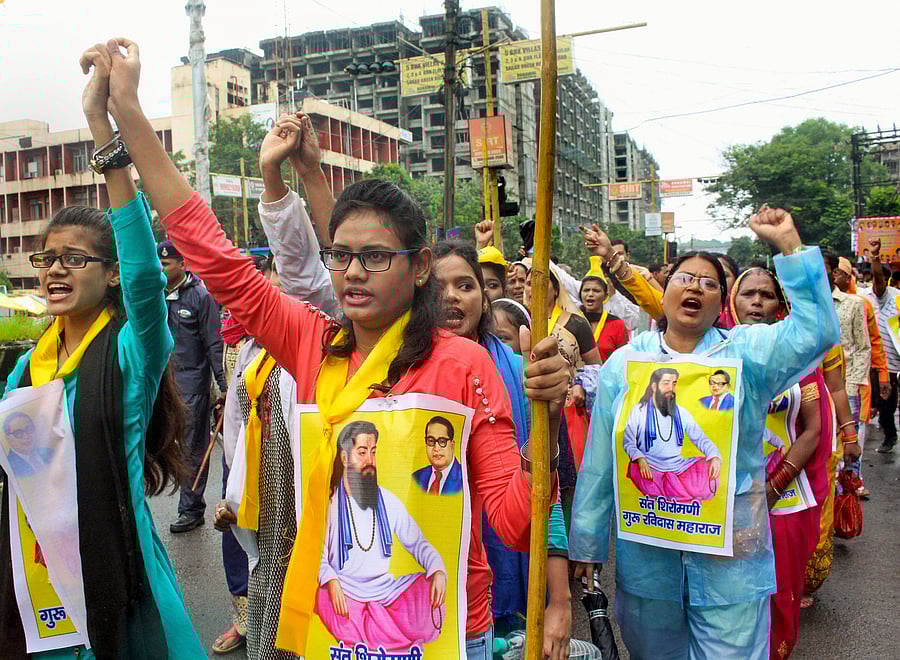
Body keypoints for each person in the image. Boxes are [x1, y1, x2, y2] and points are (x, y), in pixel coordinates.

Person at [108, 38, 569, 659]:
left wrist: (543, 433)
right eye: (342, 256)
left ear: (420, 265)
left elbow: (514, 522)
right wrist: (130, 113)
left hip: (448, 628)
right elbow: (210, 250)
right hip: (328, 624)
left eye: (376, 256)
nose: (353, 272)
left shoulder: (465, 364)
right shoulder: (308, 341)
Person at [0, 42, 204, 657]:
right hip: (38, 580)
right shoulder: (24, 369)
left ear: (112, 274)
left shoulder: (129, 350)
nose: (55, 270)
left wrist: (103, 124)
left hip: (118, 570)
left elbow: (146, 275)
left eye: (74, 259)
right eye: (47, 258)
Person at [571, 207, 840, 659]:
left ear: (722, 304)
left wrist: (790, 245)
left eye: (710, 282)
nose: (695, 286)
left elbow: (816, 332)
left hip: (731, 567)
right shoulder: (625, 367)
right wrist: (587, 543)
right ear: (666, 291)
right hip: (648, 567)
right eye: (684, 277)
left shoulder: (746, 357)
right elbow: (600, 465)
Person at [432, 240, 572, 657]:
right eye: (438, 287)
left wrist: (560, 602)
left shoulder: (520, 373)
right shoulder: (402, 373)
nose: (452, 297)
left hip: (509, 567)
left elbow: (547, 490)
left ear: (484, 298)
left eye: (465, 285)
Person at [728, 266, 830, 657]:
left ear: (779, 304)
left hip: (783, 501)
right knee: (731, 601)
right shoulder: (714, 353)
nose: (756, 301)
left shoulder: (800, 362)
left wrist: (771, 489)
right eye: (747, 293)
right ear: (731, 302)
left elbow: (812, 430)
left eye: (766, 294)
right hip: (726, 501)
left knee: (778, 593)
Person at [317, 421, 448, 651]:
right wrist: (331, 580)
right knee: (321, 596)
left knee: (432, 598)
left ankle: (370, 634)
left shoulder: (387, 500)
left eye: (373, 452)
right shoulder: (329, 504)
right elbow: (317, 556)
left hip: (388, 594)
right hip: (347, 594)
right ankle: (389, 635)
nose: (370, 460)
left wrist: (437, 570)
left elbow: (418, 543)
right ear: (345, 458)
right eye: (362, 452)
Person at [159, 236, 228, 533]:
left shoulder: (201, 297)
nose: (161, 267)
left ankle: (191, 508)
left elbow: (215, 344)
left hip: (192, 385)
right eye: (158, 262)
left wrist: (223, 385)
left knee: (192, 447)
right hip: (160, 381)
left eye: (166, 262)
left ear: (182, 263)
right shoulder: (156, 294)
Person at [622, 367, 722, 501]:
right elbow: (628, 442)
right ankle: (678, 493)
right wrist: (640, 458)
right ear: (654, 386)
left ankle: (673, 491)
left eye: (674, 383)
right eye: (666, 383)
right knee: (635, 468)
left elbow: (701, 439)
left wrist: (715, 456)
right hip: (650, 467)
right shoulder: (639, 411)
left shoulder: (682, 412)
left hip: (678, 467)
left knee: (709, 471)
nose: (671, 388)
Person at [579, 257, 629, 363]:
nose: (590, 294)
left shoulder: (617, 324)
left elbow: (623, 360)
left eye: (596, 291)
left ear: (605, 295)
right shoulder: (572, 321)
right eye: (586, 290)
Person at [412, 416, 464, 495]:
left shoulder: (464, 477)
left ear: (452, 445)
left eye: (442, 442)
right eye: (431, 441)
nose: (436, 448)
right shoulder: (416, 477)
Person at [3, 412, 51, 476]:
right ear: (8, 438)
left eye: (29, 429)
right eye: (18, 433)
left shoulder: (51, 452)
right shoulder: (7, 467)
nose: (26, 436)